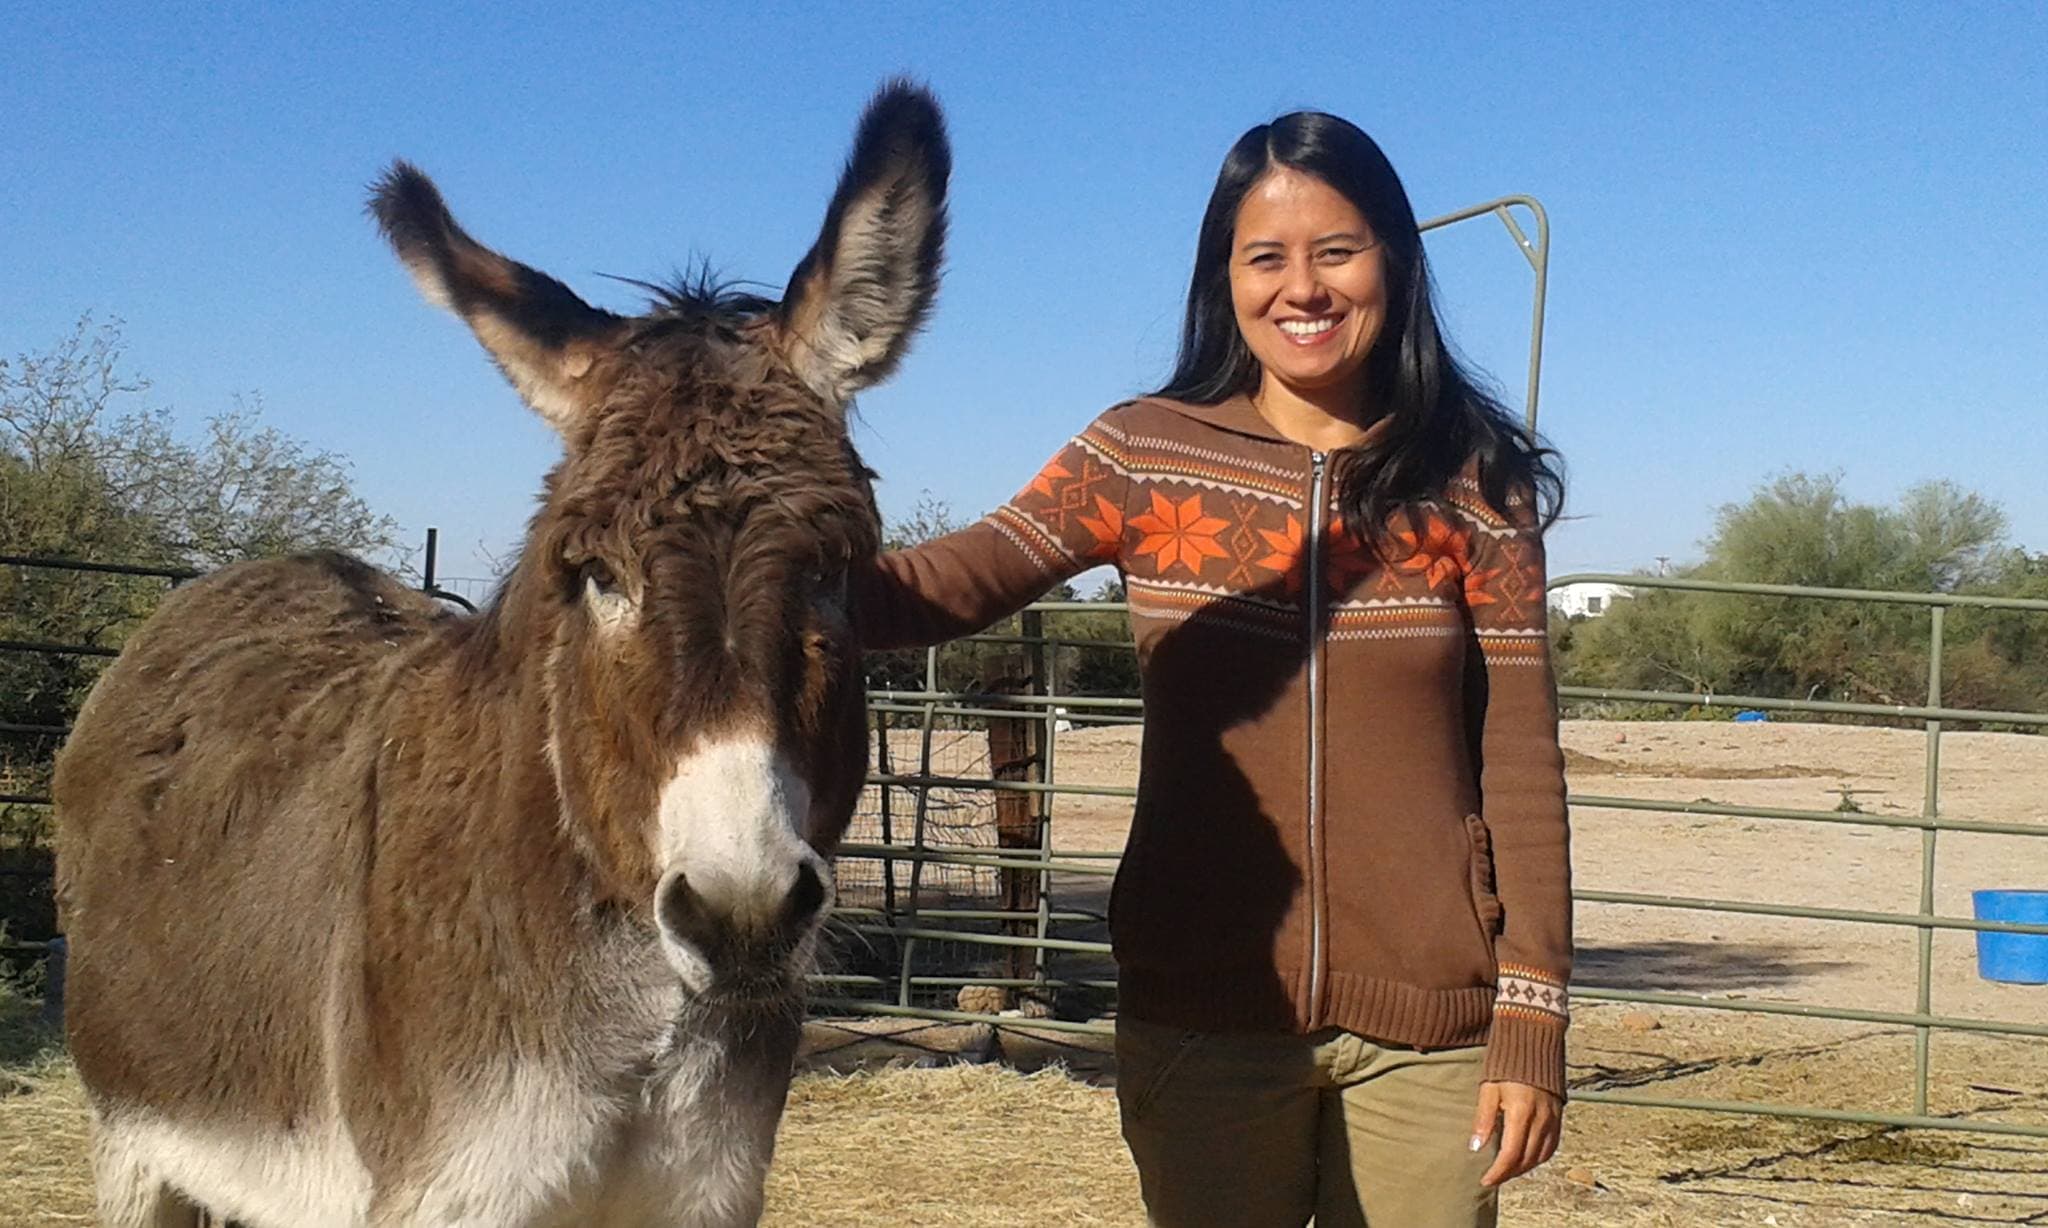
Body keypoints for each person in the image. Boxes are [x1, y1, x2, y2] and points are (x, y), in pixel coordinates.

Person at [853, 110, 1570, 1228]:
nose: (1304, 288)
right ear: (1222, 278)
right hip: (1203, 1018)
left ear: (1393, 256)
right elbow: (954, 578)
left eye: (1336, 250)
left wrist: (1530, 1014)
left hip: (1431, 1036)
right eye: (1265, 257)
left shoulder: (1476, 483)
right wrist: (736, 570)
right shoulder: (1144, 450)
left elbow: (1518, 761)